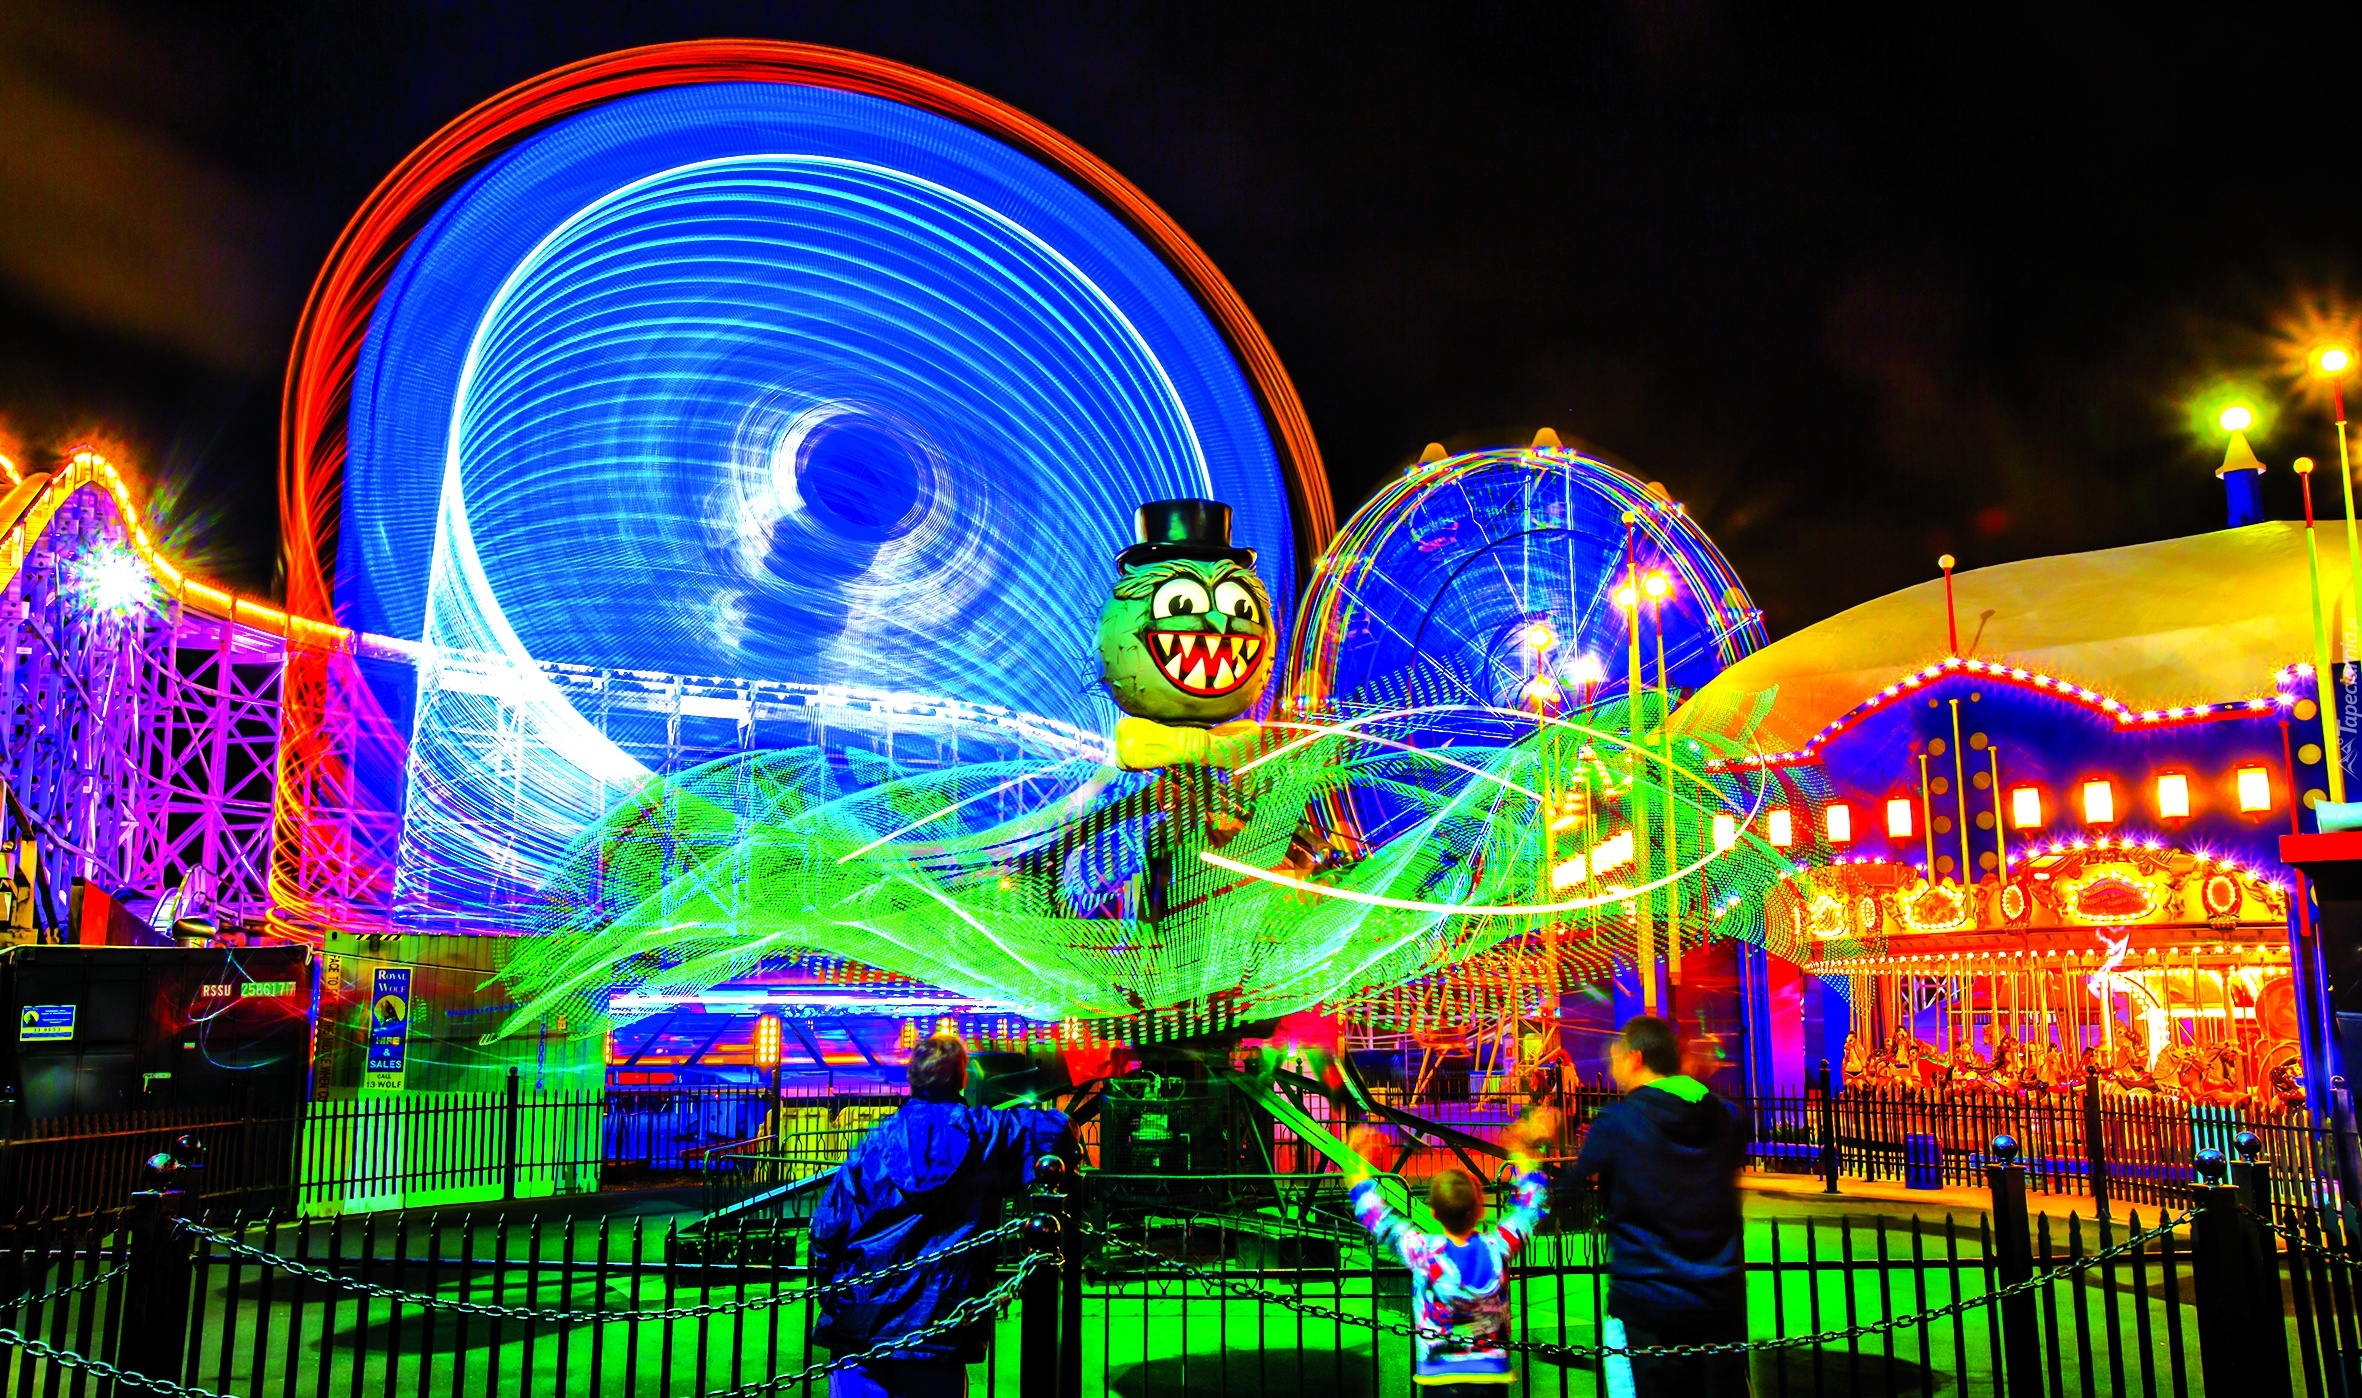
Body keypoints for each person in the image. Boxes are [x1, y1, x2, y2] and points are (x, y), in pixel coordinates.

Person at [810, 1033, 1070, 1398]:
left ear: (912, 1078)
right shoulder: (986, 1132)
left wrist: (838, 1296)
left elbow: (826, 1228)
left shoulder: (875, 1142)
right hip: (938, 1325)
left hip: (861, 1324)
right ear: (963, 1078)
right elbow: (1058, 1129)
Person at [1565, 1015, 1750, 1398]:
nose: (1612, 1068)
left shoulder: (1617, 1122)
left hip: (1645, 1304)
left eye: (1615, 1058)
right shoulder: (1727, 1117)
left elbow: (1568, 1193)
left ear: (1635, 1058)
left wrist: (1528, 1160)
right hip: (1719, 1301)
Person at [1344, 1107, 1556, 1392]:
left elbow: (1375, 1216)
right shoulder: (1499, 1246)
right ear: (1480, 1209)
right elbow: (1531, 1207)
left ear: (1433, 1213)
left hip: (1440, 1374)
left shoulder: (1422, 1251)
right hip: (1490, 1375)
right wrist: (1522, 1152)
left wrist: (1356, 1164)